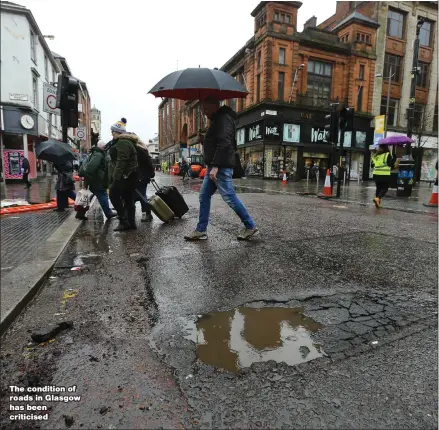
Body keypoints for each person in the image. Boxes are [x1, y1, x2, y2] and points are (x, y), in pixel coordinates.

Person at [184, 98, 259, 241]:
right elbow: (216, 142)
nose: (204, 112)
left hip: (220, 166)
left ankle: (250, 226)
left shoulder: (223, 119)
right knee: (204, 196)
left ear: (214, 105)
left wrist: (216, 167)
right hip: (215, 165)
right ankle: (201, 230)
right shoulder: (218, 119)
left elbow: (224, 143)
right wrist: (203, 140)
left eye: (205, 108)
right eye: (202, 109)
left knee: (229, 197)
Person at [107, 118, 139, 231]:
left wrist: (115, 178)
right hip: (130, 176)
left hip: (125, 176)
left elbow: (122, 161)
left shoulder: (122, 143)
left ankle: (123, 220)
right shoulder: (126, 142)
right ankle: (131, 222)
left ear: (117, 132)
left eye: (113, 132)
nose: (112, 134)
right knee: (128, 198)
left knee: (113, 195)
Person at [82, 140, 117, 219]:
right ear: (103, 147)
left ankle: (81, 213)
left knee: (90, 197)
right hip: (98, 181)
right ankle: (108, 213)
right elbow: (90, 168)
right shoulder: (98, 155)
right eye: (105, 147)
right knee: (103, 195)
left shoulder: (96, 153)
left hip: (95, 181)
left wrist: (86, 183)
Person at [131, 134, 154, 222]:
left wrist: (151, 174)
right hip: (140, 176)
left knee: (141, 195)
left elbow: (148, 163)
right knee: (138, 195)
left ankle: (147, 214)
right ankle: (145, 214)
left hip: (141, 177)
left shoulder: (139, 150)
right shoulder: (140, 148)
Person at [371, 144, 395, 208]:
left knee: (378, 188)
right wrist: (393, 159)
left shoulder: (376, 155)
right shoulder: (387, 154)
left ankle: (378, 202)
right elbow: (390, 165)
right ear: (386, 148)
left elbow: (372, 165)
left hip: (376, 174)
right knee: (385, 187)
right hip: (384, 174)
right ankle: (378, 198)